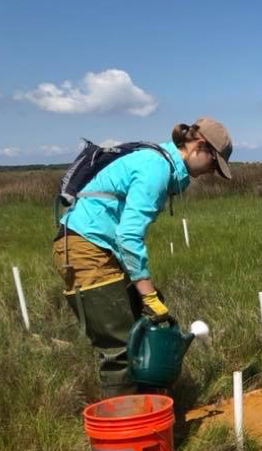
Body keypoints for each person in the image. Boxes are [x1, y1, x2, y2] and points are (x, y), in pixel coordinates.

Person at [52, 117, 233, 398]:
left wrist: (146, 294)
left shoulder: (159, 163)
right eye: (213, 164)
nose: (210, 172)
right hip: (86, 249)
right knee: (121, 348)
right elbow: (128, 236)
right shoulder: (156, 168)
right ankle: (125, 432)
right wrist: (147, 294)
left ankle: (149, 406)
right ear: (199, 146)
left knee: (138, 328)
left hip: (97, 247)